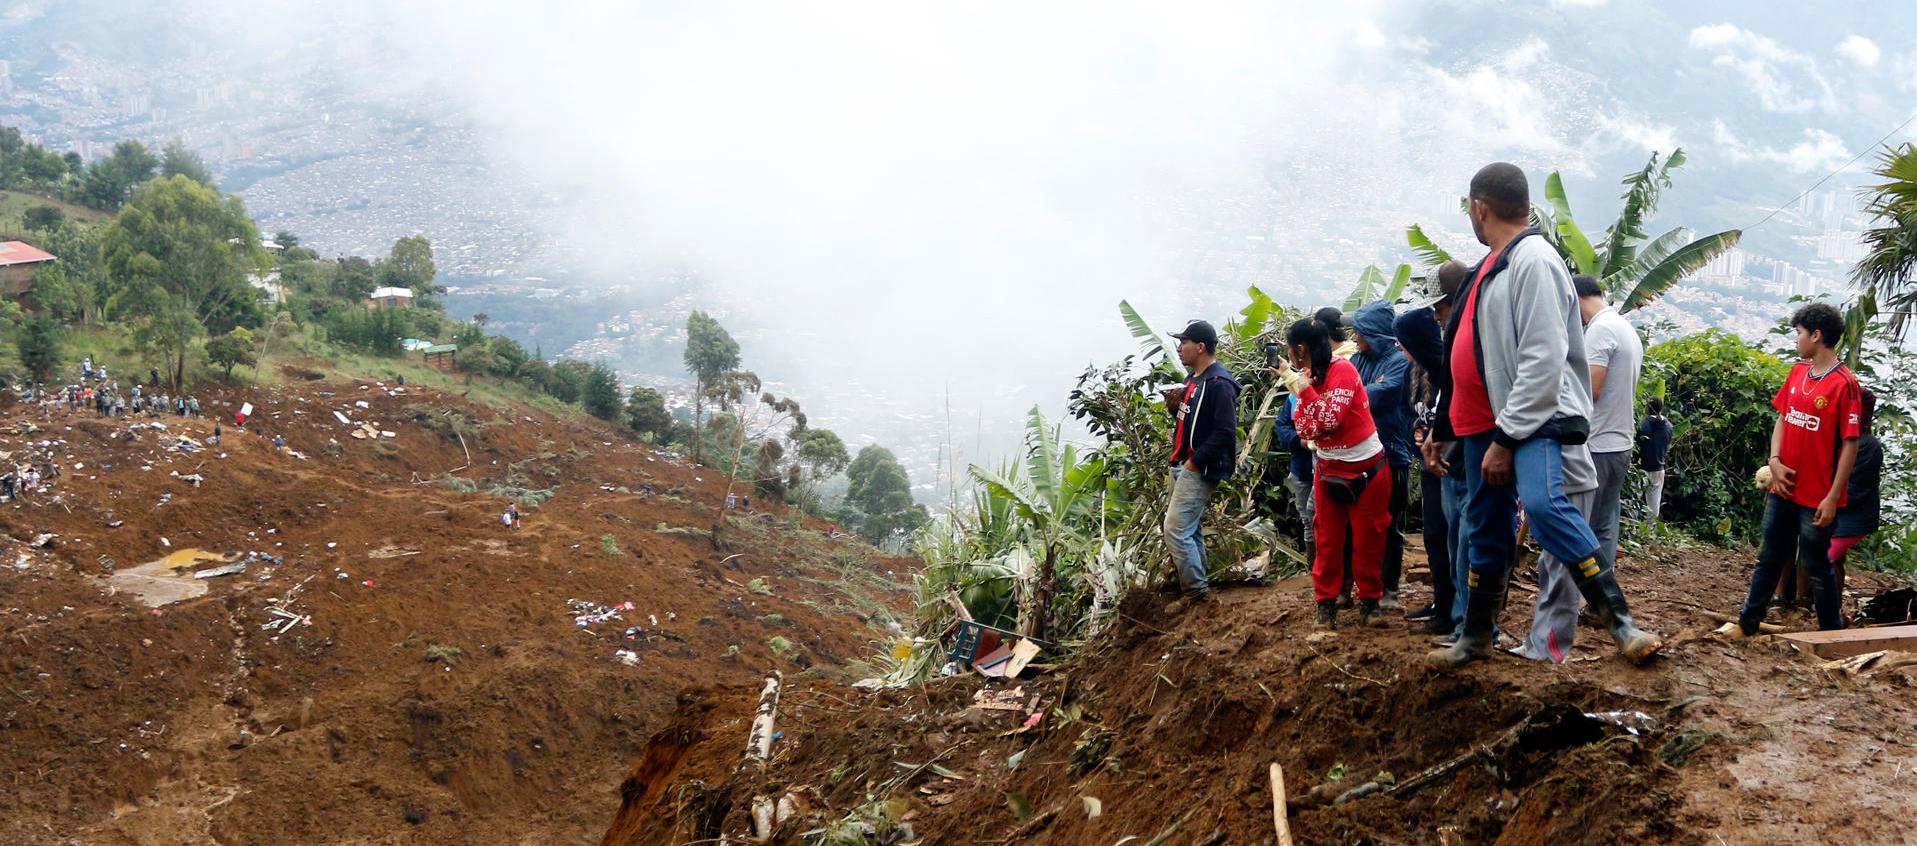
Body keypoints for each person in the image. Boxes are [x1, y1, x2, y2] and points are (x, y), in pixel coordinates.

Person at [1430, 162, 1660, 669]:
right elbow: (1467, 352)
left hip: (1527, 420)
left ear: (1479, 208)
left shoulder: (1533, 260)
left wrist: (1506, 438)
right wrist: (1444, 427)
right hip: (1480, 423)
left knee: (1545, 504)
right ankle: (1476, 636)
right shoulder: (1493, 264)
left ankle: (1620, 622)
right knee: (1484, 527)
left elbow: (1542, 358)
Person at [1727, 303, 1862, 636]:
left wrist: (1833, 498)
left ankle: (1830, 633)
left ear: (1816, 335)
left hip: (1817, 496)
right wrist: (1774, 461)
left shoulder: (1844, 384)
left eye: (1799, 333)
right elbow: (1783, 418)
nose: (1796, 339)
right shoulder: (1798, 372)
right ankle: (1747, 623)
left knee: (1817, 565)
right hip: (1783, 488)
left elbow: (1850, 444)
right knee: (1769, 557)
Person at [1275, 315, 1391, 629]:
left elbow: (1327, 421)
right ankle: (1325, 606)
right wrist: (1306, 392)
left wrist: (1305, 392)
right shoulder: (1308, 377)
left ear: (1300, 349)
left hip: (1367, 467)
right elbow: (1305, 428)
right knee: (1327, 540)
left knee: (1368, 539)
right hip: (1329, 468)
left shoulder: (1344, 371)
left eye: (1290, 348)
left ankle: (1370, 603)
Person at [1397, 261, 1468, 634]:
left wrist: (1435, 436)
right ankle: (1443, 603)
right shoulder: (1413, 373)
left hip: (1452, 462)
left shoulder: (1446, 366)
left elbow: (1455, 411)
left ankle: (1457, 612)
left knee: (1455, 536)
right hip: (1429, 463)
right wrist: (1417, 432)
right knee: (1436, 537)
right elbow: (1412, 412)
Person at [1162, 319, 1241, 611]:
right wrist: (1174, 408)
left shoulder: (1219, 384)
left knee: (1175, 528)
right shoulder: (1192, 380)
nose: (1179, 348)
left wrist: (1195, 462)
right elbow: (1194, 422)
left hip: (1199, 467)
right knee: (1189, 528)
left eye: (1184, 342)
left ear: (1200, 347)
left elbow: (1225, 432)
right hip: (1184, 463)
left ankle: (1196, 594)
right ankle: (1199, 589)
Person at [1575, 275, 1642, 572]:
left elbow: (1591, 389)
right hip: (1619, 441)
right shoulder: (1623, 327)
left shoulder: (1600, 330)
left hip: (1597, 443)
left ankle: (1583, 591)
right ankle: (1603, 589)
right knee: (1604, 526)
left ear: (1575, 298)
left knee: (1583, 527)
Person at [1351, 300, 1414, 610]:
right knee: (1356, 524)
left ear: (1374, 333)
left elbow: (1379, 394)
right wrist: (1361, 392)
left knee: (1390, 524)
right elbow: (1349, 393)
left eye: (1359, 332)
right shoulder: (1356, 359)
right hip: (1358, 455)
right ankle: (1360, 584)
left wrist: (1354, 394)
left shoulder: (1400, 362)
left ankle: (1388, 588)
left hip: (1392, 453)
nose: (1354, 338)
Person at [1827, 388, 1880, 597]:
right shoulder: (1841, 436)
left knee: (1824, 558)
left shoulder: (1869, 446)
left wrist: (1825, 499)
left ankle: (1827, 608)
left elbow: (1856, 490)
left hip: (1854, 517)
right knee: (1834, 560)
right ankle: (1831, 604)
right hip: (1836, 509)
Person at [1273, 393, 1316, 560]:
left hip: (1329, 469)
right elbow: (1282, 426)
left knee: (1323, 518)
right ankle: (1313, 564)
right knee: (1307, 519)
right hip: (1302, 468)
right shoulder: (1294, 397)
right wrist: (1301, 441)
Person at [1637, 397, 1673, 529]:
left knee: (1635, 499)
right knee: (1654, 502)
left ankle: (1633, 528)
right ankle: (1650, 531)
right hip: (1658, 468)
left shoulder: (1643, 424)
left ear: (1647, 408)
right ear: (1661, 408)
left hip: (1642, 468)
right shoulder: (1668, 426)